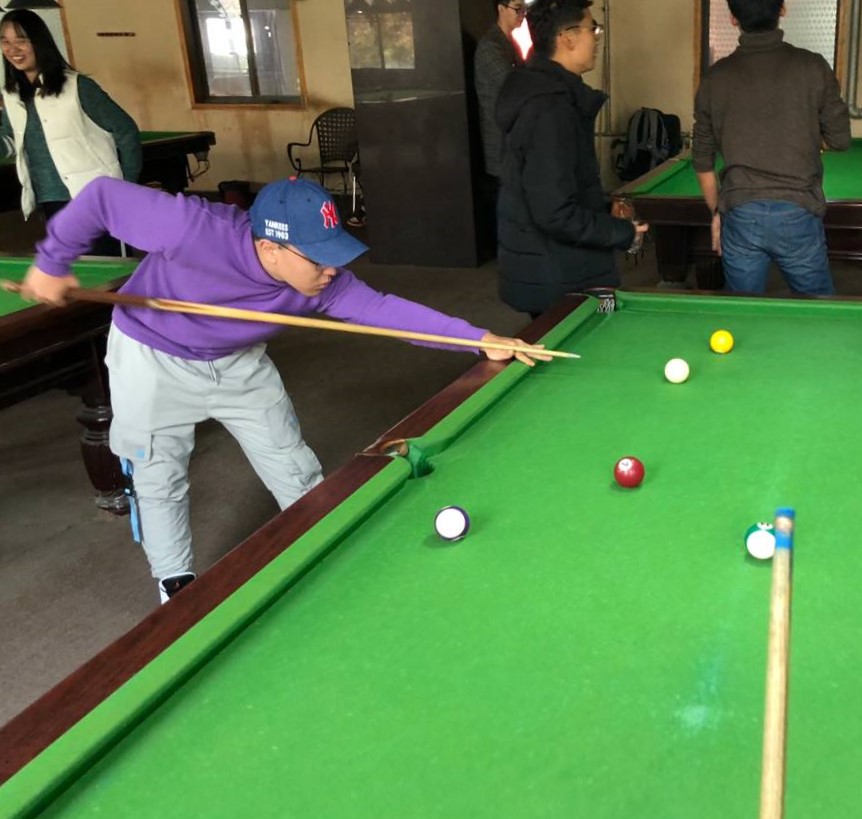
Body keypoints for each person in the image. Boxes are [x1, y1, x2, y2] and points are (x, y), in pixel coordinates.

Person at [19, 176, 546, 604]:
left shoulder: (322, 284)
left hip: (237, 363)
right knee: (158, 476)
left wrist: (478, 339)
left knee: (292, 462)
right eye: (317, 258)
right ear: (269, 247)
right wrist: (51, 262)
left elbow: (386, 312)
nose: (332, 270)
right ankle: (174, 585)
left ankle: (323, 544)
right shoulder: (194, 227)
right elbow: (102, 198)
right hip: (151, 356)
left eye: (335, 253)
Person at [495, 0, 646, 316]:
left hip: (550, 266)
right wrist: (623, 233)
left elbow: (553, 185)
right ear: (567, 37)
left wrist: (603, 207)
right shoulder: (550, 108)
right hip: (556, 275)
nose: (597, 38)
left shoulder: (541, 91)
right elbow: (554, 212)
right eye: (593, 29)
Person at [692, 0, 851, 295]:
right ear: (783, 9)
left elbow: (702, 159)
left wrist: (717, 212)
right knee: (817, 309)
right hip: (799, 209)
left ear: (733, 19)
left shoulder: (715, 78)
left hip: (740, 213)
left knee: (744, 312)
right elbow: (840, 140)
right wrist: (806, 134)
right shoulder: (813, 66)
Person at [0, 8, 140, 252]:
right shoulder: (11, 95)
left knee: (110, 265)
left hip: (95, 197)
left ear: (39, 42)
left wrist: (125, 185)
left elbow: (125, 131)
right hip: (49, 198)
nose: (13, 50)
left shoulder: (78, 86)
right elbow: (11, 139)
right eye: (5, 42)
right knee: (72, 267)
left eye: (21, 40)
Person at [474, 0, 525, 186]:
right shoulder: (490, 46)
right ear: (501, 9)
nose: (523, 14)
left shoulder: (509, 41)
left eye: (524, 8)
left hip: (511, 135)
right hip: (500, 139)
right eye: (518, 8)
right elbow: (513, 85)